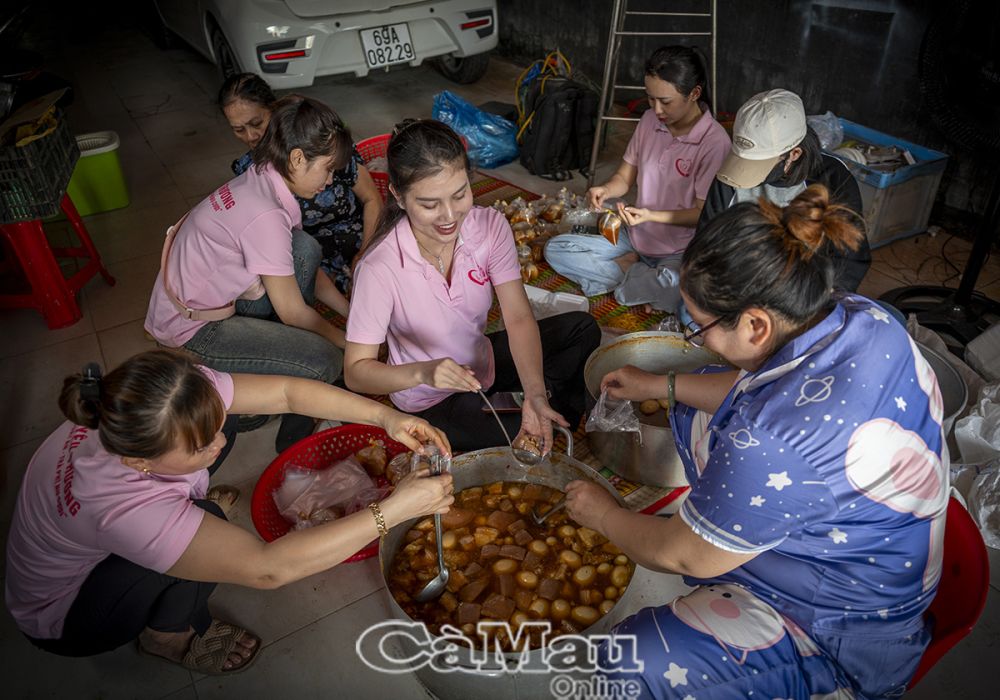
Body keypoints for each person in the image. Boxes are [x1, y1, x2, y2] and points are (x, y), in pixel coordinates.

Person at [565, 186, 948, 698]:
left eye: (699, 327)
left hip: (846, 626)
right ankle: (727, 534)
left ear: (755, 324)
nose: (699, 339)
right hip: (886, 550)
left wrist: (605, 515)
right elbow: (766, 389)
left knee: (631, 662)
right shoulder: (865, 317)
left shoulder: (769, 442)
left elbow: (684, 558)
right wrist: (663, 385)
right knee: (698, 409)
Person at [4, 350, 453, 675]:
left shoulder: (152, 401)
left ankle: (187, 512)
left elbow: (285, 391)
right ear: (139, 463)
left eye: (213, 429)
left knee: (231, 413)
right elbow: (267, 570)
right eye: (202, 447)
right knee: (209, 524)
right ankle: (167, 636)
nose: (219, 444)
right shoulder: (119, 506)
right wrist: (392, 510)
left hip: (107, 531)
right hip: (71, 614)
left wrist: (385, 418)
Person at [344, 119, 601, 453]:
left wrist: (535, 392)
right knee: (526, 438)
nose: (449, 216)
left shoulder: (489, 227)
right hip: (431, 399)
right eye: (429, 204)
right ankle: (534, 417)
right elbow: (356, 372)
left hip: (483, 364)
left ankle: (536, 405)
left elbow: (519, 317)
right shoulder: (379, 267)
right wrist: (424, 373)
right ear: (398, 195)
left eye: (459, 194)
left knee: (581, 329)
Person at [146, 94, 351, 453]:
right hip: (193, 329)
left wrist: (354, 314)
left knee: (303, 247)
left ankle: (282, 363)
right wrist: (349, 344)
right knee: (326, 360)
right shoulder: (265, 215)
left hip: (208, 299)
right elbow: (294, 312)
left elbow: (305, 270)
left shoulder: (262, 174)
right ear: (298, 158)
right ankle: (269, 400)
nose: (330, 181)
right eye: (328, 169)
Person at [544, 46, 730, 313]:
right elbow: (624, 176)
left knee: (680, 289)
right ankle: (639, 284)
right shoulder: (648, 121)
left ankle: (630, 274)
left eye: (665, 101)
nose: (656, 109)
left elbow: (701, 214)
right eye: (650, 98)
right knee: (558, 248)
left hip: (679, 251)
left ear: (694, 93)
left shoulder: (714, 143)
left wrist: (650, 215)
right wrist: (606, 189)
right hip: (635, 233)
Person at [219, 73, 382, 292]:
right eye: (238, 130)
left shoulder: (322, 142)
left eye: (256, 123)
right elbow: (275, 245)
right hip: (312, 258)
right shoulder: (253, 172)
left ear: (275, 109)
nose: (251, 136)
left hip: (360, 238)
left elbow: (372, 198)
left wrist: (365, 254)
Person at [697, 88, 872, 292]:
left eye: (758, 165)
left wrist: (809, 302)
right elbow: (706, 241)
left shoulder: (833, 179)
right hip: (741, 284)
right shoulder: (730, 176)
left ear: (794, 154)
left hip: (805, 291)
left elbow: (850, 260)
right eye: (744, 161)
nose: (744, 173)